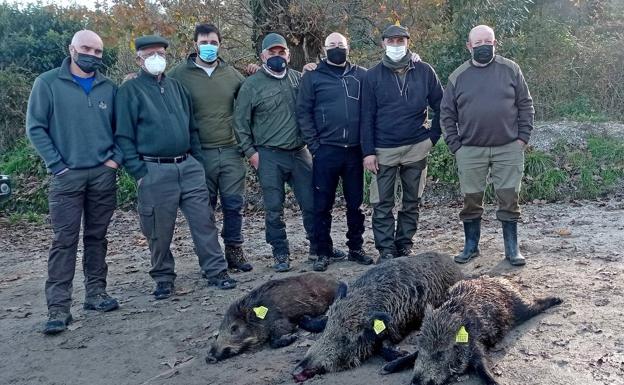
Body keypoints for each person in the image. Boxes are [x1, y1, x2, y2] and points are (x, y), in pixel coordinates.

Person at [115, 35, 236, 300]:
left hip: (188, 165)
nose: (155, 58)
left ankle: (216, 271)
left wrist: (197, 162)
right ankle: (163, 277)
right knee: (159, 228)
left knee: (204, 221)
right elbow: (123, 136)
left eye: (160, 53)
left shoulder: (177, 88)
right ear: (139, 58)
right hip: (154, 169)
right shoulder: (129, 91)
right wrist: (139, 172)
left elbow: (192, 128)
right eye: (149, 54)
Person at [26, 30, 121, 334]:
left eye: (97, 51)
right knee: (64, 240)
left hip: (102, 174)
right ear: (72, 48)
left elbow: (123, 129)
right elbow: (36, 127)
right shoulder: (48, 83)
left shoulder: (109, 88)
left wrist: (113, 161)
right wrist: (57, 165)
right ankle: (58, 307)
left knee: (97, 236)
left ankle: (96, 293)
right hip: (67, 177)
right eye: (86, 49)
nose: (91, 55)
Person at [441, 25, 534, 266]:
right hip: (470, 150)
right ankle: (471, 246)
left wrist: (522, 138)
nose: (483, 46)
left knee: (509, 197)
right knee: (471, 199)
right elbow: (446, 114)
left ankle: (512, 249)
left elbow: (526, 105)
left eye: (487, 41)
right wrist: (456, 146)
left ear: (495, 43)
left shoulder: (511, 69)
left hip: (508, 147)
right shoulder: (458, 76)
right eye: (478, 42)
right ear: (469, 46)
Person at [168, 23, 252, 272]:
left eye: (213, 43)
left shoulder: (231, 74)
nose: (209, 47)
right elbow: (156, 87)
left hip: (230, 150)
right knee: (204, 210)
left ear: (220, 44)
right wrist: (133, 78)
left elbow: (251, 93)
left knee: (234, 204)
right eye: (204, 43)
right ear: (195, 45)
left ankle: (234, 251)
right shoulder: (179, 74)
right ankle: (211, 258)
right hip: (198, 153)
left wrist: (257, 70)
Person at [233, 33, 316, 272]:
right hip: (269, 155)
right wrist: (251, 153)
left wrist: (315, 68)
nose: (277, 57)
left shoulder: (299, 79)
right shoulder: (251, 85)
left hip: (300, 153)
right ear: (263, 56)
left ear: (288, 55)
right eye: (272, 52)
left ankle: (318, 247)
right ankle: (280, 252)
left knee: (311, 203)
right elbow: (240, 123)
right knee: (274, 208)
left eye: (282, 52)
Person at [360, 23, 443, 261]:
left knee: (411, 201)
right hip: (383, 149)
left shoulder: (425, 71)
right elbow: (366, 117)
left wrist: (433, 137)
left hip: (417, 147)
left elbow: (442, 105)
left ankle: (404, 245)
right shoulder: (372, 76)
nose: (396, 45)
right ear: (383, 43)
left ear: (408, 42)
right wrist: (368, 152)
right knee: (381, 202)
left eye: (400, 41)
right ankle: (386, 249)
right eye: (391, 41)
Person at [296, 32, 374, 271]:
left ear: (348, 47)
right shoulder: (312, 77)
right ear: (324, 49)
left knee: (356, 204)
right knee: (322, 204)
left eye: (341, 45)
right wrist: (315, 146)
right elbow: (303, 112)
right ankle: (322, 250)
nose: (337, 48)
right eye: (332, 45)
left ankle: (356, 247)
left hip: (354, 151)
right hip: (325, 151)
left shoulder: (362, 75)